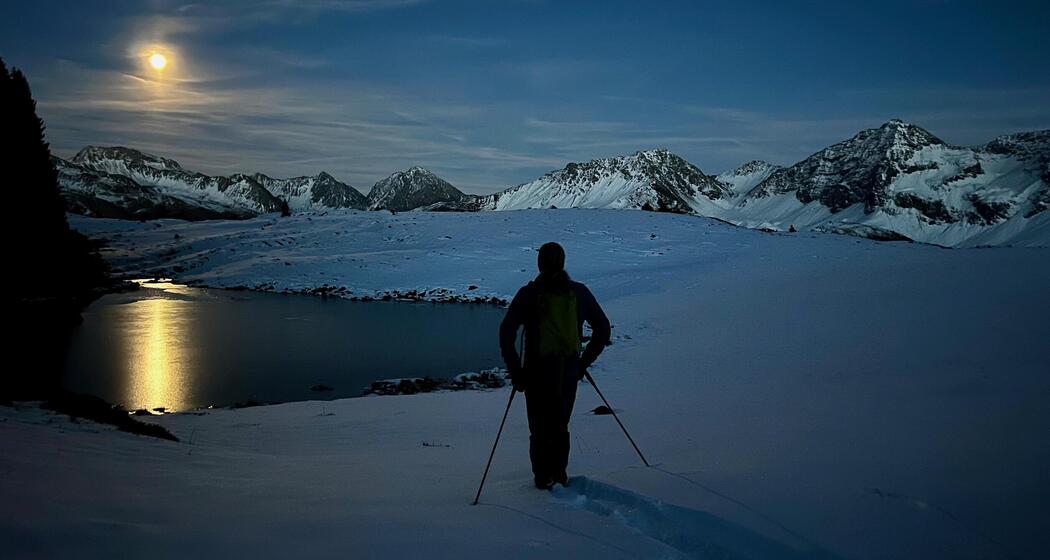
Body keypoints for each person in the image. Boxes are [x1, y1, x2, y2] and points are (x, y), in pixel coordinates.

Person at [499, 242, 611, 489]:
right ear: (562, 262)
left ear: (539, 264)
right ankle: (559, 474)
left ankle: (543, 479)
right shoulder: (579, 293)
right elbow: (603, 329)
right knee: (560, 425)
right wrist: (583, 363)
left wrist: (516, 371)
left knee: (539, 429)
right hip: (567, 372)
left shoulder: (529, 294)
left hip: (536, 374)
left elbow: (507, 332)